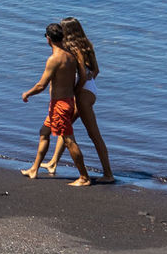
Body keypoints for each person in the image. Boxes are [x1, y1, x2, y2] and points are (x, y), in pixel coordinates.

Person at [41, 16, 114, 183]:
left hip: (82, 93)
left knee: (94, 135)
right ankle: (53, 163)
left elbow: (81, 73)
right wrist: (88, 81)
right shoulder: (87, 44)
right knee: (65, 128)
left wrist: (75, 90)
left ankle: (108, 174)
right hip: (90, 88)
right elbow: (96, 71)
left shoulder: (73, 48)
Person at [20, 22, 92, 185]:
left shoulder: (54, 59)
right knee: (44, 132)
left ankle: (84, 177)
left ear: (48, 39)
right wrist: (74, 92)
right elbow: (83, 76)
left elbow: (41, 85)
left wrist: (27, 93)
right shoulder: (70, 56)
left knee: (68, 140)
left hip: (60, 105)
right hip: (64, 103)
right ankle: (34, 169)